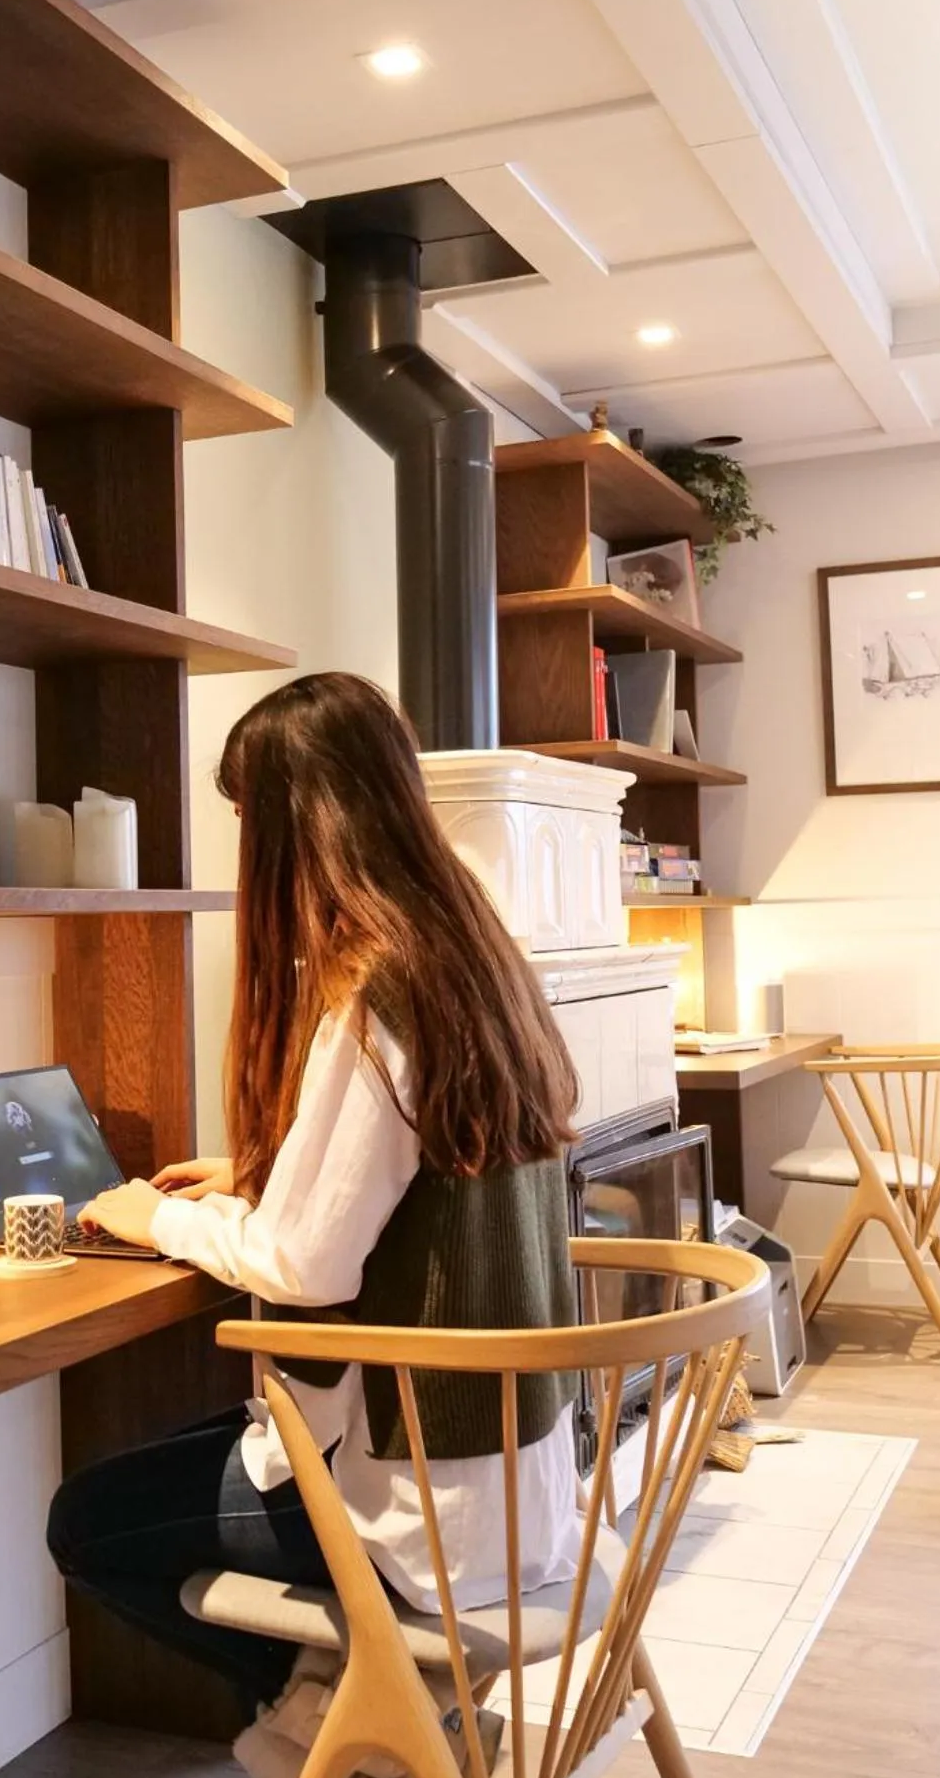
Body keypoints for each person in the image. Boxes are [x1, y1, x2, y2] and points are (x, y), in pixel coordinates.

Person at [46, 672, 584, 1719]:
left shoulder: (373, 992)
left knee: (88, 1520)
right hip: (519, 1485)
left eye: (250, 818)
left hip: (412, 1507)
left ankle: (362, 1717)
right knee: (167, 1466)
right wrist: (259, 1177)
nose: (245, 846)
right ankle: (377, 1714)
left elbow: (305, 1263)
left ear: (304, 823)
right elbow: (414, 1175)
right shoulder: (473, 962)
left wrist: (154, 1216)